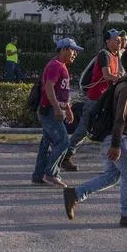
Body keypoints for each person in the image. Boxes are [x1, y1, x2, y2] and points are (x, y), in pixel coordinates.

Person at [62, 46, 127, 227]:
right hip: (117, 138)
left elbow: (126, 117)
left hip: (112, 137)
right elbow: (120, 118)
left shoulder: (126, 84)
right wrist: (116, 144)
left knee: (112, 176)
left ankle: (75, 194)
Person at [63, 29, 124, 170]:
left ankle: (120, 162)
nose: (119, 41)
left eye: (119, 39)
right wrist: (124, 80)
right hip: (95, 99)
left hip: (106, 100)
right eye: (116, 39)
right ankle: (64, 156)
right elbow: (107, 75)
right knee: (83, 130)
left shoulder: (116, 56)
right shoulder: (105, 54)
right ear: (107, 41)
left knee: (111, 130)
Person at [33, 38, 82, 187]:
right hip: (49, 111)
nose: (75, 54)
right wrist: (56, 109)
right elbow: (49, 88)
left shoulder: (61, 66)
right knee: (63, 141)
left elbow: (61, 92)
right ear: (64, 50)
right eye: (73, 50)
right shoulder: (55, 65)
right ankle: (51, 174)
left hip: (51, 110)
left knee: (46, 144)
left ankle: (38, 176)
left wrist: (67, 108)